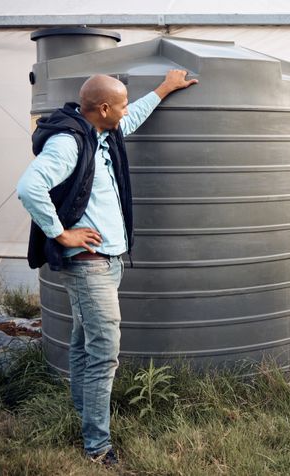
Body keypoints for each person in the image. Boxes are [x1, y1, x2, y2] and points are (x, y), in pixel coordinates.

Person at [16, 70, 198, 466]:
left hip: (108, 262)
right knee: (104, 353)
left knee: (84, 343)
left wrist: (165, 88)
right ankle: (97, 446)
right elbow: (29, 186)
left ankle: (83, 414)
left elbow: (130, 119)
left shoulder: (103, 132)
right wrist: (61, 233)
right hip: (88, 267)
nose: (125, 109)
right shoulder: (69, 144)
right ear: (102, 108)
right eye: (120, 103)